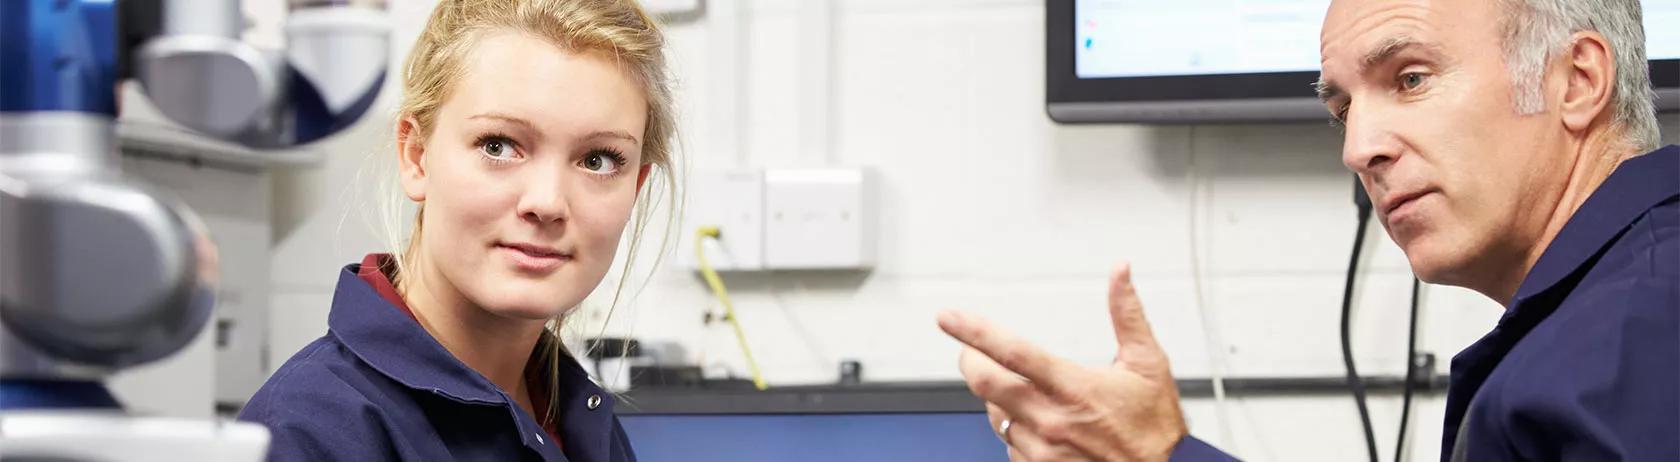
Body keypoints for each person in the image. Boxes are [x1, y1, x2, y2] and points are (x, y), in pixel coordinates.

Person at [938, 0, 1677, 460]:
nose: (1359, 148)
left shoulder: (1634, 329)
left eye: (1411, 79)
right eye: (1341, 111)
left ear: (1576, 80)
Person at [237, 1, 678, 460]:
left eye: (598, 160)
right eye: (499, 145)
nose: (547, 203)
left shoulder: (580, 424)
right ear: (416, 155)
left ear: (636, 187)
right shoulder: (309, 430)